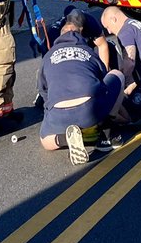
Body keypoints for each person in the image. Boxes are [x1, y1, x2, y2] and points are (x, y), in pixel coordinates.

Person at [37, 15, 128, 164]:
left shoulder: (48, 57)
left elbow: (43, 91)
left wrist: (51, 115)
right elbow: (103, 84)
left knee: (45, 141)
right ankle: (106, 132)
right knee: (117, 75)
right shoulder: (89, 52)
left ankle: (65, 138)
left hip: (59, 112)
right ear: (81, 35)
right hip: (89, 109)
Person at [47, 4, 116, 70]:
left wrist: (104, 71)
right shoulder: (54, 33)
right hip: (60, 50)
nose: (74, 36)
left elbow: (102, 45)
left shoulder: (91, 23)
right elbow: (51, 61)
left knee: (110, 47)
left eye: (77, 32)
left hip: (88, 44)